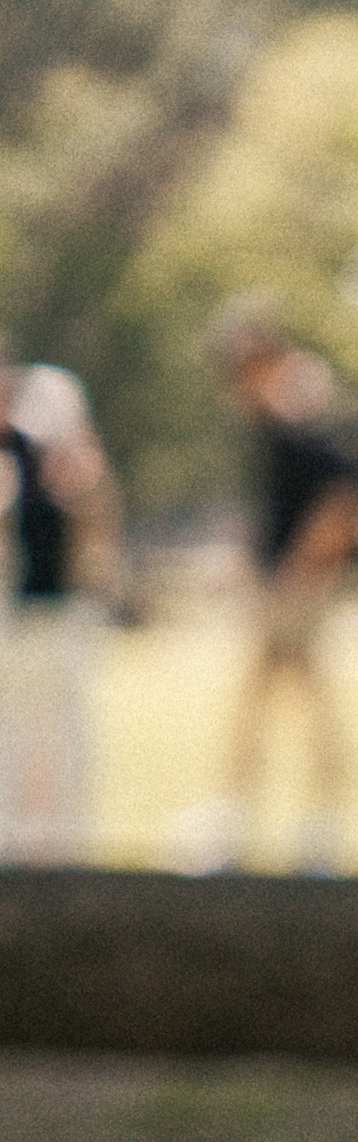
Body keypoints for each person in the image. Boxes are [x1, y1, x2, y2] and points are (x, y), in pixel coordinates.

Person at [180, 312, 358, 875]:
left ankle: (307, 828)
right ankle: (273, 823)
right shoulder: (272, 426)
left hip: (300, 585)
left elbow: (342, 502)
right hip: (284, 582)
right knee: (273, 703)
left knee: (290, 703)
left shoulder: (301, 419)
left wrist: (295, 577)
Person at [0, 365, 116, 863]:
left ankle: (60, 842)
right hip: (19, 615)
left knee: (60, 730)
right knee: (17, 733)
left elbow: (94, 528)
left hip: (60, 612)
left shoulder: (64, 464)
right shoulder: (14, 456)